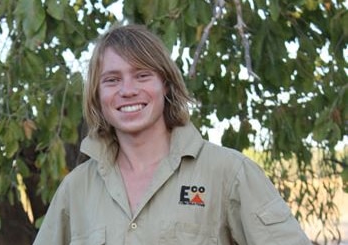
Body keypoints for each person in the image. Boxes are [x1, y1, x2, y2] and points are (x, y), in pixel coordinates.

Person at [33, 24, 311, 245]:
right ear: (97, 93)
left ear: (166, 85)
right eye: (112, 80)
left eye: (142, 75)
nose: (127, 90)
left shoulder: (229, 173)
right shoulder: (77, 189)